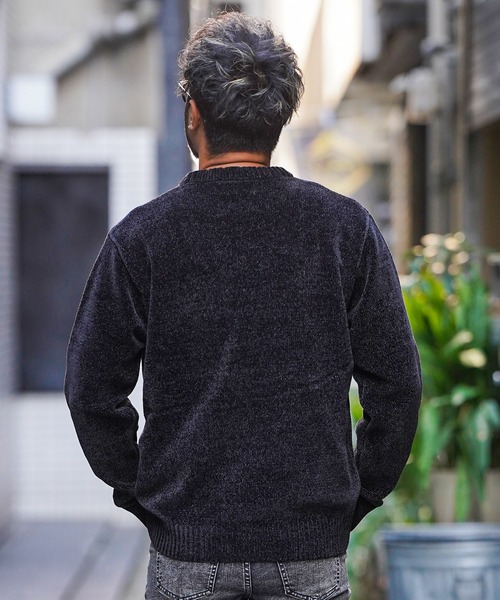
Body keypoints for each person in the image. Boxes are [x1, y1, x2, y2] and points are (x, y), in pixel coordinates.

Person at [64, 11, 422, 600]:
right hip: (310, 551)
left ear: (193, 114)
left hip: (187, 549)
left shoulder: (142, 237)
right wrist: (357, 495)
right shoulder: (344, 229)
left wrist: (142, 492)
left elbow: (90, 388)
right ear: (279, 119)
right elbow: (398, 384)